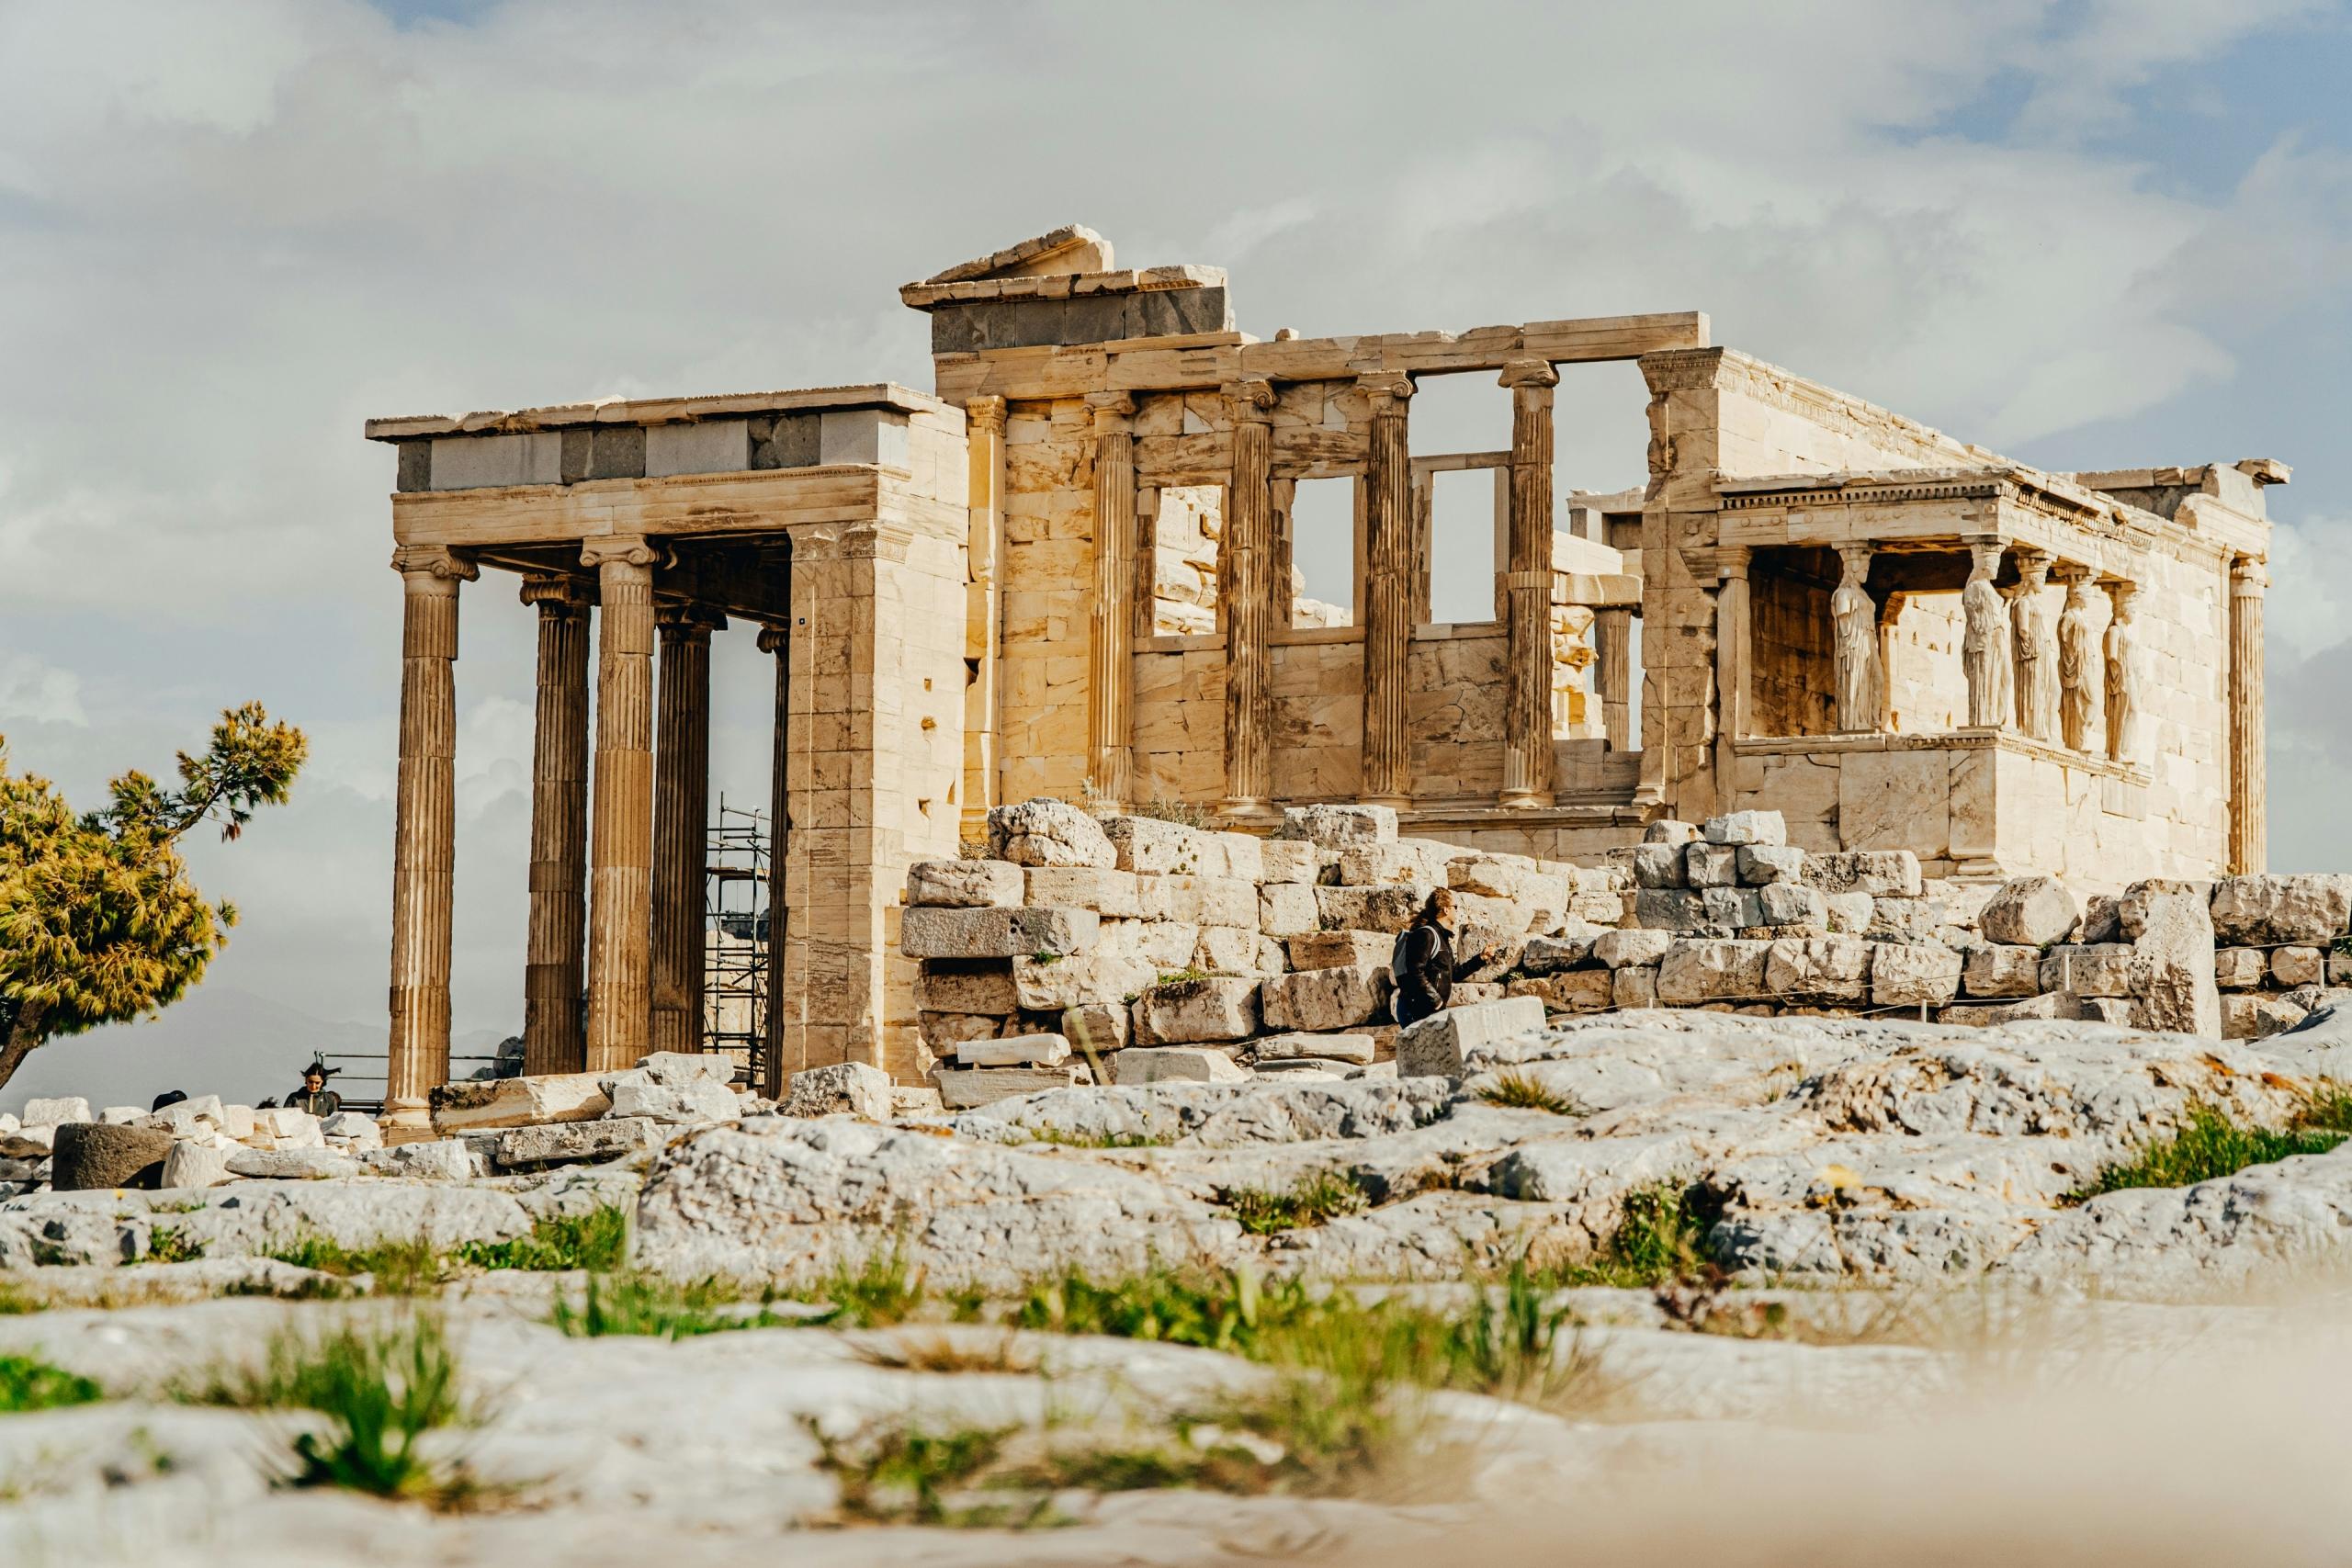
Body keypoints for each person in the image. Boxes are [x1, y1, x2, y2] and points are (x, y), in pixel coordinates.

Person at [1390, 887, 1461, 1028]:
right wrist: (1436, 1001)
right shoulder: (1426, 935)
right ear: (1446, 910)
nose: (1456, 911)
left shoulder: (1442, 938)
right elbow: (1415, 971)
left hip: (1430, 1011)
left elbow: (1454, 974)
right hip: (1417, 1011)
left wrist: (1481, 959)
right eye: (1455, 907)